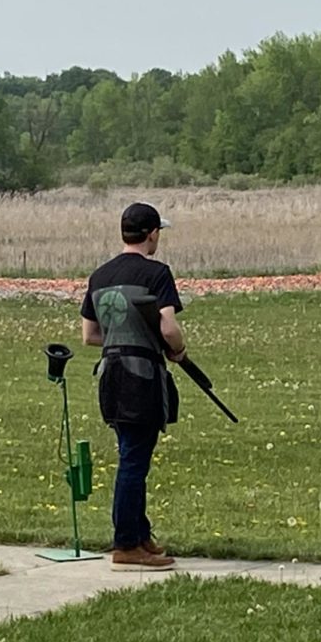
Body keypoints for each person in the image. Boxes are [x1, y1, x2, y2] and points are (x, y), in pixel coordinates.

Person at [80, 202, 187, 571]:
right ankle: (126, 543)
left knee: (131, 453)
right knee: (133, 461)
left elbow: (89, 335)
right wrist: (178, 349)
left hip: (111, 372)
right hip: (142, 374)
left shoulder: (100, 275)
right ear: (152, 233)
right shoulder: (157, 273)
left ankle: (140, 533)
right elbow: (168, 327)